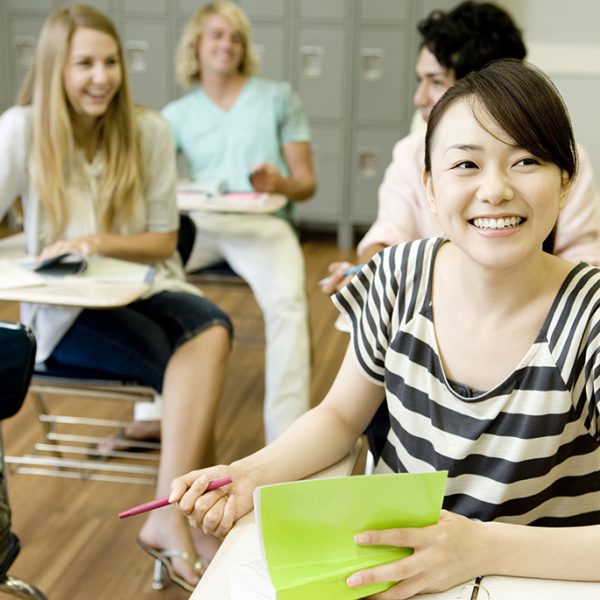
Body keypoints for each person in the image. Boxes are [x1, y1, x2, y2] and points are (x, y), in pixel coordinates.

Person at [169, 60, 600, 597]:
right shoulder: (400, 275)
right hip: (397, 575)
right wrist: (251, 473)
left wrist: (478, 548)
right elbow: (340, 415)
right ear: (429, 186)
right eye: (465, 164)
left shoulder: (588, 316)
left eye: (526, 161)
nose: (494, 190)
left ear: (565, 183)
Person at [0, 5, 232, 591]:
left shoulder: (147, 130)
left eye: (110, 62)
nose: (101, 77)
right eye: (84, 64)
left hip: (139, 285)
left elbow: (160, 239)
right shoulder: (22, 129)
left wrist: (95, 240)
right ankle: (189, 519)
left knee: (212, 326)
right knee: (188, 360)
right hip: (65, 311)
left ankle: (171, 515)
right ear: (57, 68)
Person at [321, 0, 600, 295]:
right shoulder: (411, 153)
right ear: (429, 185)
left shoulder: (564, 159)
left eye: (436, 81)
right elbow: (387, 236)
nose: (419, 98)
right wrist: (370, 274)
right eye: (466, 165)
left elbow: (583, 258)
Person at [161, 1, 316, 444]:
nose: (226, 44)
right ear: (196, 45)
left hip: (262, 225)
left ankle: (289, 438)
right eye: (216, 34)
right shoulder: (176, 115)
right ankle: (156, 408)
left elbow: (306, 184)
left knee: (287, 303)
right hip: (201, 225)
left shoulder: (277, 97)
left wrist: (279, 182)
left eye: (235, 37)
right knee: (151, 278)